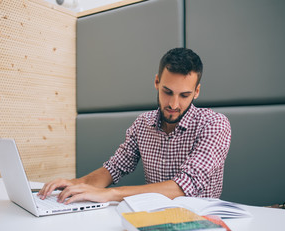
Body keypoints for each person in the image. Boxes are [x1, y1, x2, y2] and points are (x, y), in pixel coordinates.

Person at [38, 48, 231, 204]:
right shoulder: (142, 124)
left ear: (196, 91)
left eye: (184, 95)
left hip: (201, 222)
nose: (173, 104)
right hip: (152, 218)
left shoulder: (214, 125)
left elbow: (183, 187)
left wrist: (110, 194)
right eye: (167, 92)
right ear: (157, 82)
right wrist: (74, 184)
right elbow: (114, 168)